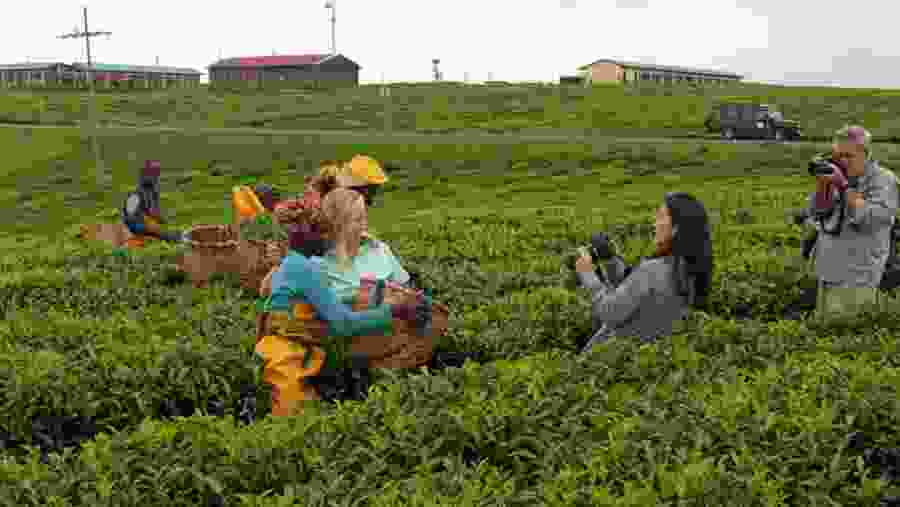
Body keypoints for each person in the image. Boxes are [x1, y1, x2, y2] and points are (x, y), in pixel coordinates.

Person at [255, 206, 429, 416]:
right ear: (304, 236)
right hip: (286, 361)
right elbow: (343, 323)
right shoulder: (304, 268)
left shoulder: (296, 263)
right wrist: (395, 311)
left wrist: (375, 295)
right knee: (292, 421)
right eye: (324, 234)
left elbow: (332, 302)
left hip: (290, 355)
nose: (329, 241)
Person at [578, 192, 714, 353]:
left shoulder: (652, 270)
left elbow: (609, 312)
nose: (654, 224)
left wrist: (588, 275)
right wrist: (610, 259)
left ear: (675, 229)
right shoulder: (690, 271)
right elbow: (634, 291)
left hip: (610, 360)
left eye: (661, 217)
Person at [803, 125, 899, 320]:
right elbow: (817, 213)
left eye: (849, 156)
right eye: (839, 156)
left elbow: (873, 218)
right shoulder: (836, 174)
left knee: (845, 328)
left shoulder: (883, 180)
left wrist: (844, 186)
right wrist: (824, 186)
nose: (842, 162)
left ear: (865, 153)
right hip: (828, 269)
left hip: (857, 273)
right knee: (823, 328)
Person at [315, 187, 412, 303]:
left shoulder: (380, 249)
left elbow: (406, 290)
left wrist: (399, 296)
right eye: (358, 220)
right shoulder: (321, 265)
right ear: (338, 225)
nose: (364, 225)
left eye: (364, 217)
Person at [121, 160, 186, 243]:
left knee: (169, 233)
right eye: (153, 174)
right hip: (138, 226)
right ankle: (178, 238)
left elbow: (153, 212)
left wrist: (160, 220)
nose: (156, 178)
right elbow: (130, 216)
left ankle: (177, 237)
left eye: (156, 174)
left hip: (147, 225)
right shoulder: (135, 195)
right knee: (166, 235)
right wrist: (146, 222)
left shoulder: (152, 192)